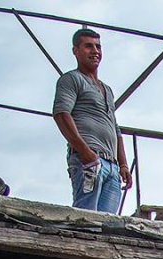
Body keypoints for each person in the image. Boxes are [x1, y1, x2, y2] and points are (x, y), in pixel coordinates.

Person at [52, 27, 132, 212]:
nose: (95, 51)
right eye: (88, 46)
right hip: (90, 161)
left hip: (112, 167)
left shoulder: (107, 89)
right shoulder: (71, 79)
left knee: (109, 225)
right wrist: (85, 152)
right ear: (76, 50)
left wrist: (123, 164)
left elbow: (115, 128)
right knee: (86, 219)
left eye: (98, 47)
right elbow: (61, 114)